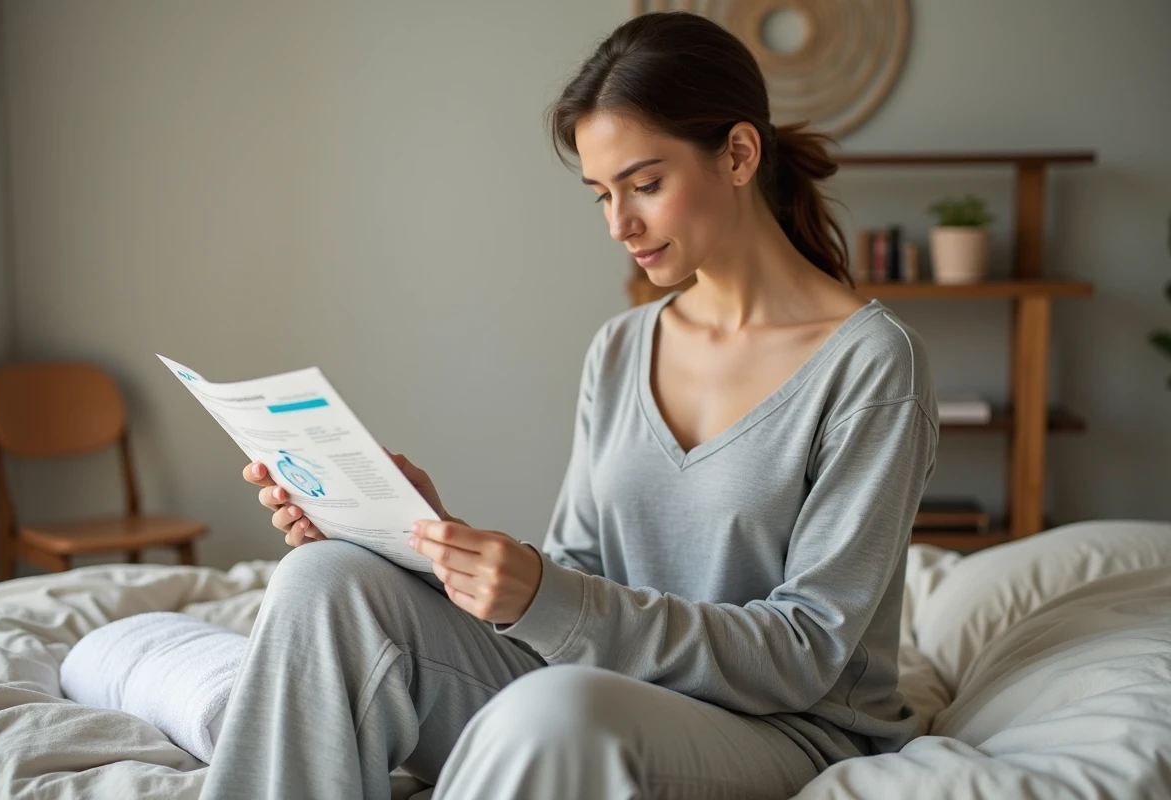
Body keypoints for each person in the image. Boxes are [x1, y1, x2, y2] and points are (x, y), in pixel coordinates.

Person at [200, 10, 938, 800]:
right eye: (601, 196)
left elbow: (806, 650)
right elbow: (580, 578)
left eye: (646, 185)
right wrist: (432, 545)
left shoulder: (871, 365)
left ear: (738, 153)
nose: (621, 225)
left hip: (783, 728)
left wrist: (555, 598)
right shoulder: (621, 349)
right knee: (325, 579)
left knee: (555, 710)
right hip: (597, 688)